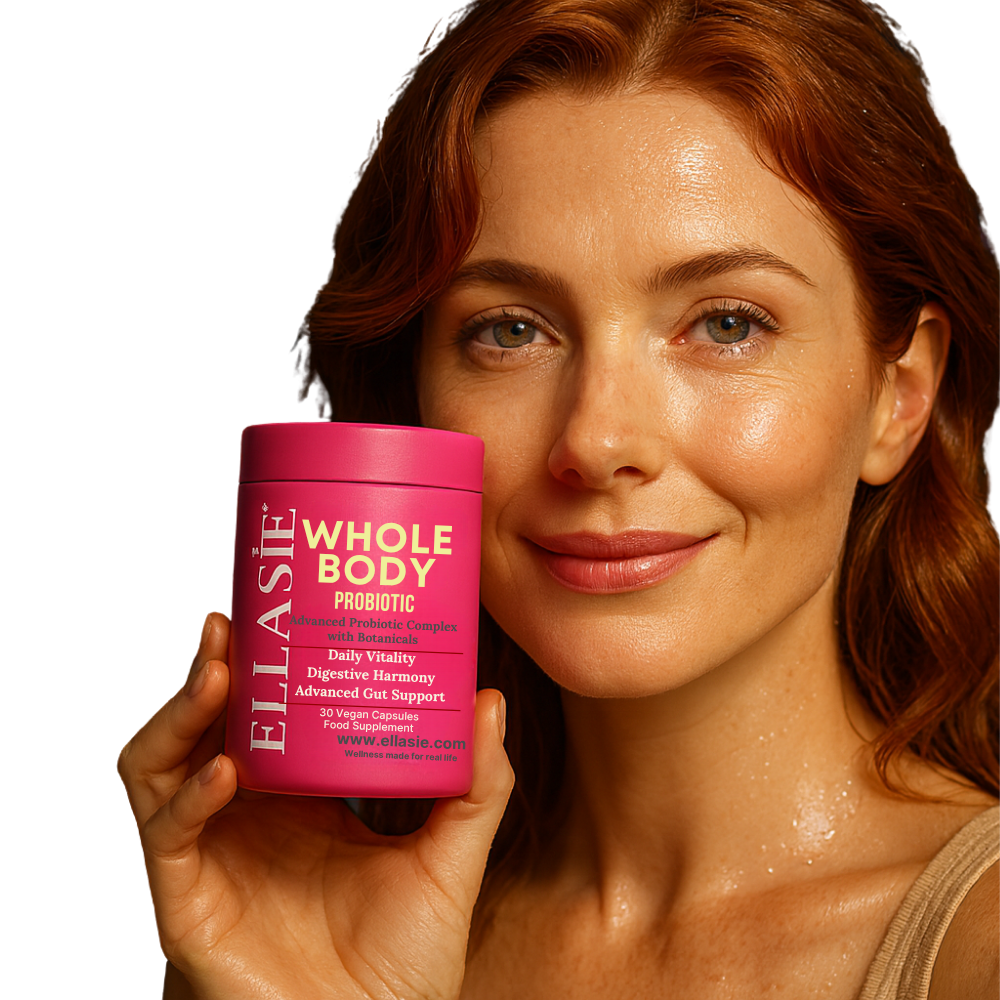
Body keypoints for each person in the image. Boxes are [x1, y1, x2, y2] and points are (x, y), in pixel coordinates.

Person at [119, 1, 1000, 996]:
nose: (595, 442)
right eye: (509, 331)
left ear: (899, 396)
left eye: (726, 323)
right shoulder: (358, 920)